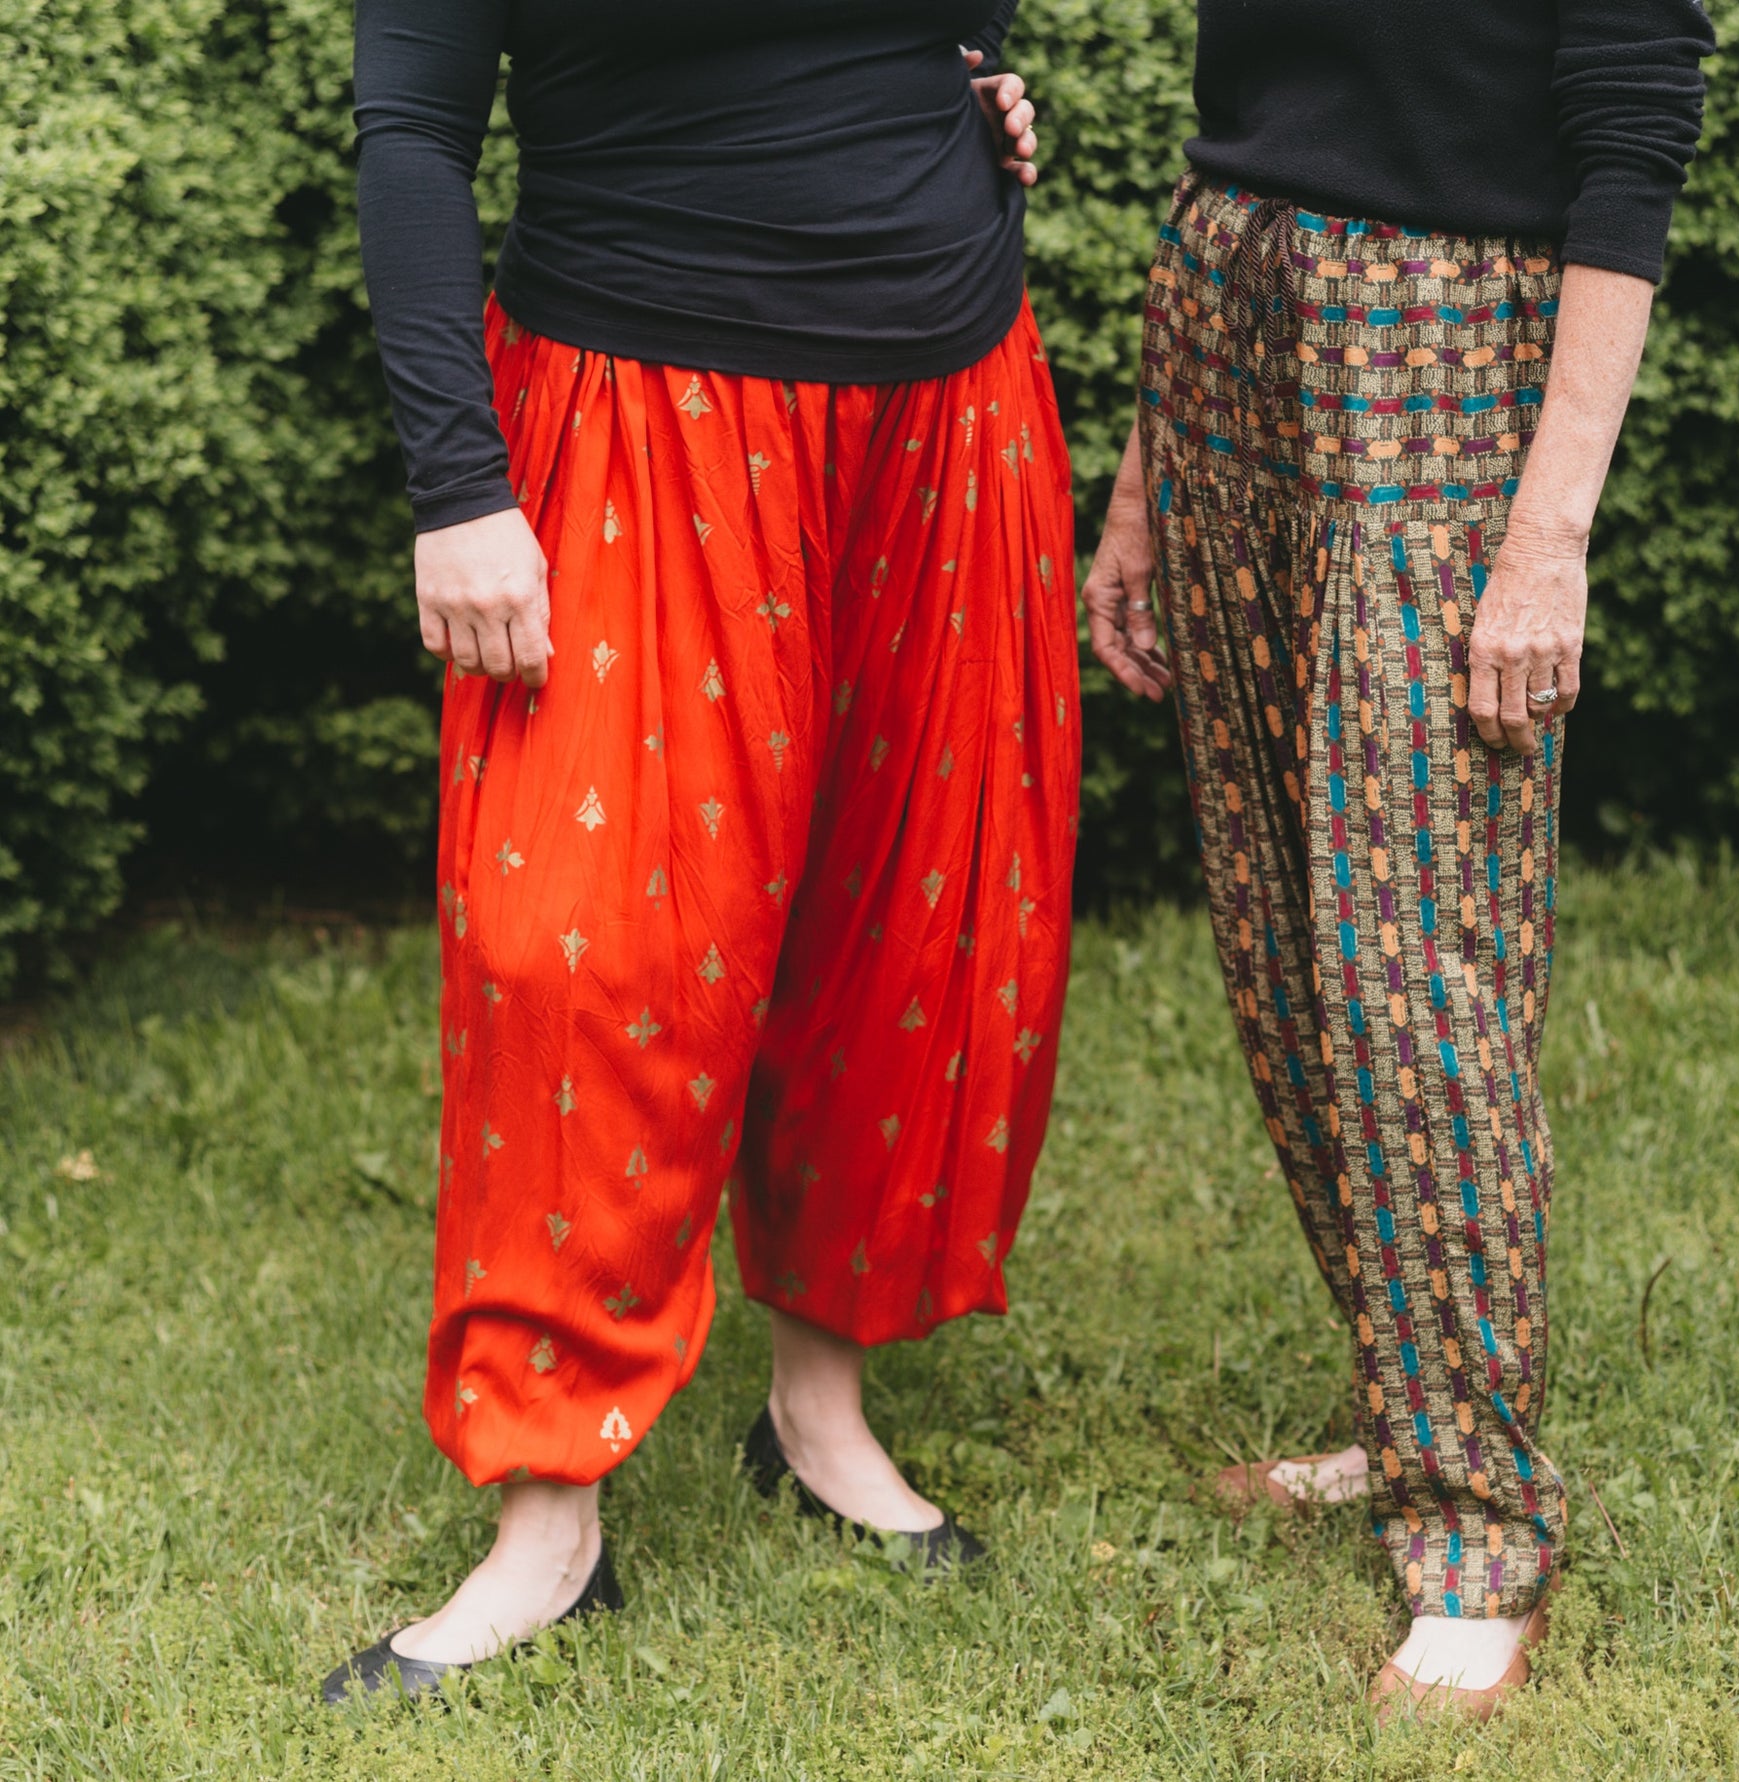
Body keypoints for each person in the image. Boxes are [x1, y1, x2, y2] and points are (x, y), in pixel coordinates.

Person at [324, 0, 1077, 1705]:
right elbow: (414, 132)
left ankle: (819, 1409)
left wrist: (964, 91)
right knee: (577, 945)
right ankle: (545, 1518)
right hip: (630, 395)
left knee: (908, 916)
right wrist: (459, 486)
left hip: (948, 387)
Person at [1084, 0, 1712, 1722]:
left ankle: (1481, 1521)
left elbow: (1631, 152)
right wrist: (1144, 480)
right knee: (1284, 934)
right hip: (1232, 320)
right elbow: (1251, 116)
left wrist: (1549, 534)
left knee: (1414, 955)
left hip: (1439, 350)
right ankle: (1407, 1407)